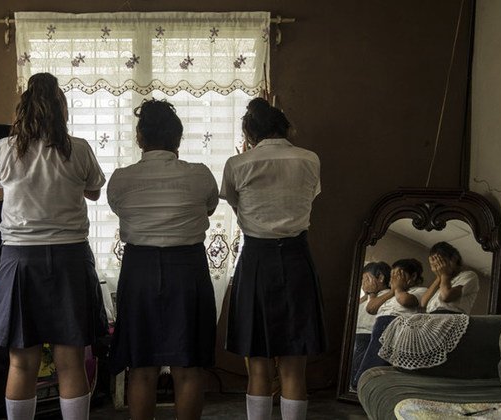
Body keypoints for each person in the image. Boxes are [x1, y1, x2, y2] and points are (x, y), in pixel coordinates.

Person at [0, 72, 107, 420]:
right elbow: (94, 191)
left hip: (21, 259)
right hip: (69, 257)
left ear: (23, 108)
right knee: (71, 361)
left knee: (22, 362)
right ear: (61, 108)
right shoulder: (78, 148)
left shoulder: (5, 149)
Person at [107, 99, 218, 420]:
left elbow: (120, 209)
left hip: (138, 271)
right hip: (188, 271)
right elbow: (208, 208)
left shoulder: (121, 179)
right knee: (188, 367)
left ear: (140, 137)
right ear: (178, 139)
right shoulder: (200, 176)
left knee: (141, 367)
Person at [220, 97, 326, 420]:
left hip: (256, 261)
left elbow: (236, 206)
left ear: (250, 132)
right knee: (294, 369)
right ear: (283, 127)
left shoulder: (237, 165)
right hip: (297, 259)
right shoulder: (310, 160)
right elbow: (310, 198)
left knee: (258, 369)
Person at [351, 258, 427, 388]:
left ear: (413, 276)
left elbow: (405, 301)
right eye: (392, 276)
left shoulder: (420, 291)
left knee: (377, 366)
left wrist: (397, 288)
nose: (393, 280)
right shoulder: (391, 295)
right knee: (369, 364)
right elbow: (371, 308)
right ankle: (360, 385)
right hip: (380, 326)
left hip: (397, 325)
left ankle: (362, 385)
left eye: (398, 276)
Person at [351, 261, 391, 384]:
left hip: (368, 338)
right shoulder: (368, 297)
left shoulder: (387, 296)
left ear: (380, 277)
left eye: (365, 279)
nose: (363, 284)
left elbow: (371, 309)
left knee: (359, 378)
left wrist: (372, 293)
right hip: (356, 338)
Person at [421, 241, 480, 314]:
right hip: (432, 316)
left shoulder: (468, 275)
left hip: (451, 316)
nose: (439, 268)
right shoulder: (442, 281)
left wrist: (445, 275)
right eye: (435, 265)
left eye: (441, 263)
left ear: (454, 258)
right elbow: (423, 303)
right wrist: (438, 278)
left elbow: (446, 297)